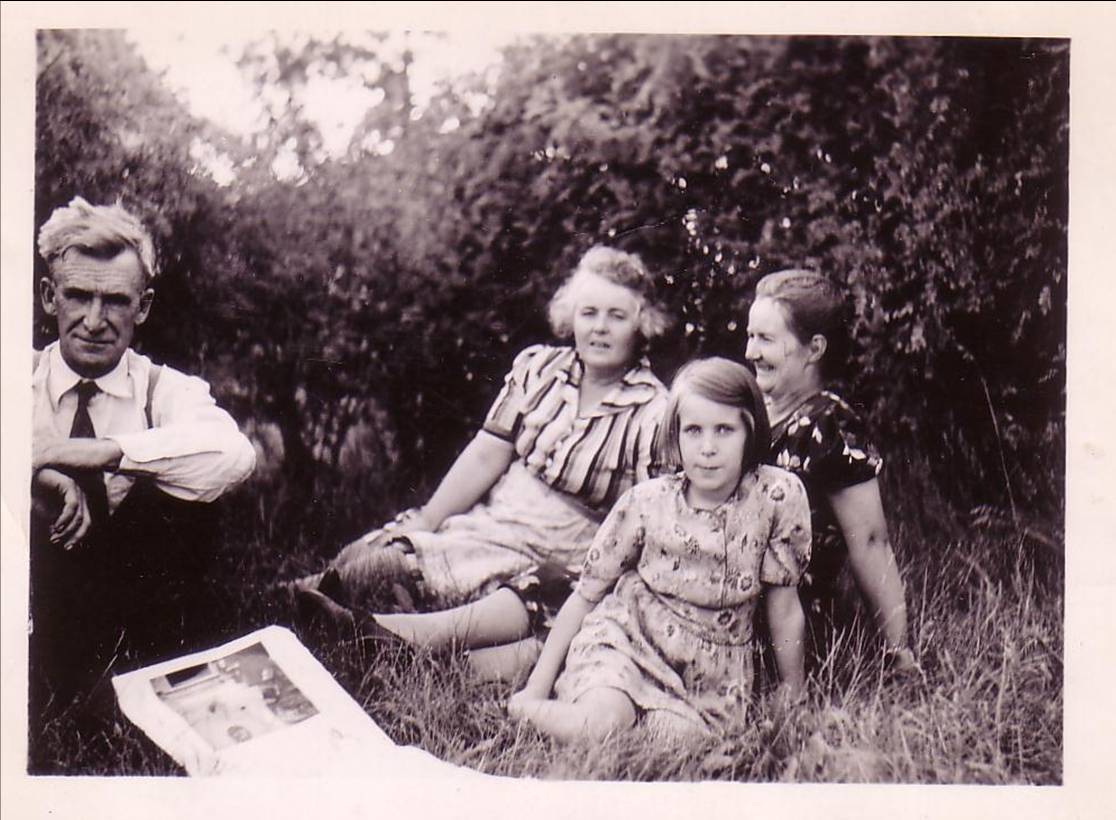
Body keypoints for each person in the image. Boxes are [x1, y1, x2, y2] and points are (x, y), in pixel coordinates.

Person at [292, 246, 671, 680]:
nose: (600, 328)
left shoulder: (654, 410)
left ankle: (375, 636)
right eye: (589, 313)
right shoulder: (540, 368)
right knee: (377, 560)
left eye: (616, 316)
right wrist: (429, 518)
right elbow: (488, 452)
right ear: (571, 316)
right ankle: (300, 604)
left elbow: (643, 520)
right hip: (493, 524)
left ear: (641, 324)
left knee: (485, 598)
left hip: (561, 552)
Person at [30, 196, 257, 718]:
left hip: (138, 598)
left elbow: (234, 456)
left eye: (115, 301)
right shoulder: (21, 377)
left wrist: (95, 453)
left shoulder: (162, 388)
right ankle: (60, 683)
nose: (94, 320)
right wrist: (44, 475)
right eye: (78, 296)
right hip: (39, 601)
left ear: (143, 307)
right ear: (49, 296)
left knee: (186, 493)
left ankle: (157, 675)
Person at [507, 358, 812, 741]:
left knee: (677, 747)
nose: (707, 448)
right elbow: (585, 596)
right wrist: (536, 687)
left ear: (750, 432)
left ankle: (610, 730)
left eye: (724, 430)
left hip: (710, 679)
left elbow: (784, 607)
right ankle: (530, 710)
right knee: (604, 723)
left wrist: (792, 693)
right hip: (625, 642)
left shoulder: (777, 497)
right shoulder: (648, 503)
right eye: (693, 431)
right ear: (674, 436)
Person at [744, 269, 916, 673]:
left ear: (814, 349)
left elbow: (871, 542)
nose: (751, 351)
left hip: (784, 619)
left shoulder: (829, 426)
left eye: (766, 339)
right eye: (751, 336)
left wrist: (898, 651)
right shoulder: (750, 412)